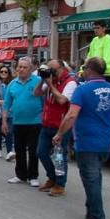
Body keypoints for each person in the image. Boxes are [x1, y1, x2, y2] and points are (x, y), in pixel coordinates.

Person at [54, 57, 110, 219]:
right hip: (105, 141)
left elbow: (71, 115)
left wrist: (60, 133)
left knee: (91, 179)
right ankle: (91, 213)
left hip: (86, 140)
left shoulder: (83, 90)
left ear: (89, 69)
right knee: (95, 177)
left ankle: (97, 217)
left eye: (84, 67)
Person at [34, 59, 77, 196]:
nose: (50, 72)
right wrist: (42, 80)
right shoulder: (49, 81)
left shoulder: (70, 82)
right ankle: (52, 178)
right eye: (49, 69)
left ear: (61, 69)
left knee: (59, 156)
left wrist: (50, 84)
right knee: (41, 152)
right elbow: (36, 93)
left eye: (52, 69)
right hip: (47, 124)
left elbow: (62, 100)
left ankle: (60, 184)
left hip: (61, 126)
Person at [2, 57, 42, 186]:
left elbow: (44, 102)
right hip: (18, 122)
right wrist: (3, 121)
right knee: (19, 150)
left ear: (31, 69)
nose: (22, 69)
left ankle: (33, 176)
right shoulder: (12, 84)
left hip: (35, 122)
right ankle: (20, 175)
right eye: (20, 67)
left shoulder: (38, 81)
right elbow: (6, 104)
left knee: (33, 150)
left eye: (25, 67)